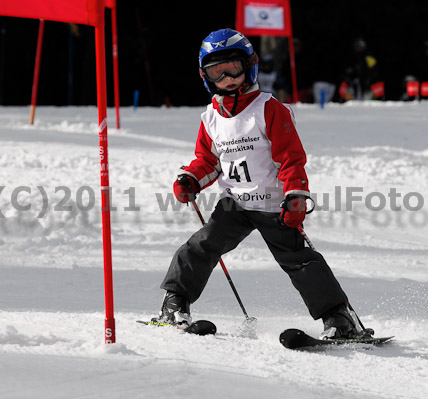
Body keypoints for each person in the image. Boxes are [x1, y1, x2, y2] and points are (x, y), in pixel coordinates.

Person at [154, 28, 371, 340]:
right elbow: (209, 161)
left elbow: (290, 158)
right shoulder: (210, 118)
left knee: (300, 260)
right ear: (206, 77)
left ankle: (340, 319)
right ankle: (174, 305)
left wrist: (295, 196)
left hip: (272, 204)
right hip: (233, 205)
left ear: (250, 66)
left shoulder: (270, 109)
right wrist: (190, 179)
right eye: (218, 72)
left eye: (233, 67)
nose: (227, 77)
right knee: (200, 248)